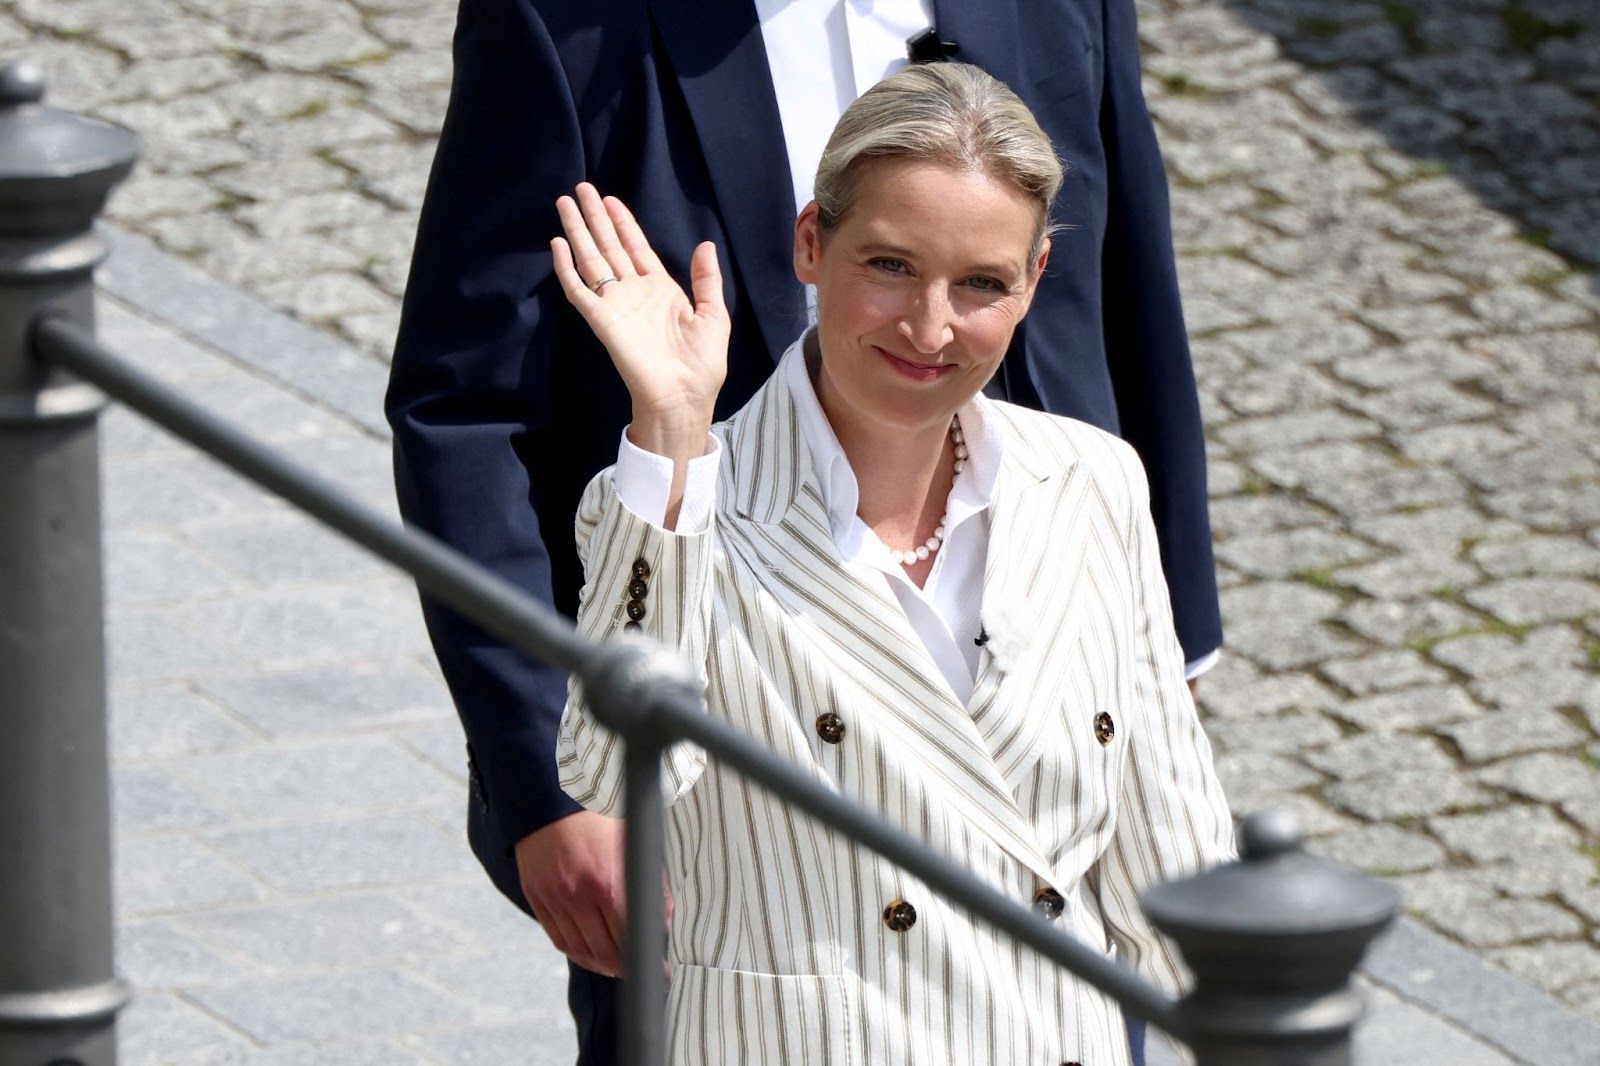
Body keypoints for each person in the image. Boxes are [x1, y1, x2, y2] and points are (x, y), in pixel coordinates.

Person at [384, 2, 1220, 1060]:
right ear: (812, 244)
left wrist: (1164, 639)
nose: (925, 323)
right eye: (886, 270)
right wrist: (543, 783)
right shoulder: (567, 21)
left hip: (1022, 607)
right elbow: (465, 409)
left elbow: (1133, 280)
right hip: (718, 659)